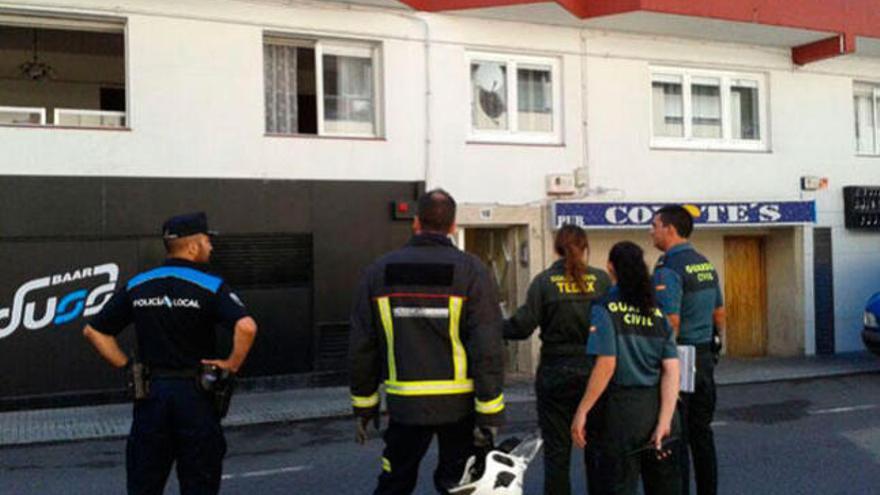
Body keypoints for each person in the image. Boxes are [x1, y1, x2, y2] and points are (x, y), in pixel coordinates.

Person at [82, 212, 258, 495]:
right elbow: (247, 327)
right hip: (197, 396)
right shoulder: (210, 285)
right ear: (193, 246)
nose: (211, 247)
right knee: (199, 483)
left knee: (144, 484)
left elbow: (94, 331)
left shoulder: (139, 284)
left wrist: (128, 366)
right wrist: (230, 365)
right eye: (207, 241)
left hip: (151, 396)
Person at [349, 189, 505, 495]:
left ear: (416, 223)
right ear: (453, 227)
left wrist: (364, 406)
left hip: (405, 407)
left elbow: (362, 346)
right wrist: (489, 413)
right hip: (460, 408)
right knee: (458, 486)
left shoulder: (378, 271)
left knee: (394, 484)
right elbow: (487, 347)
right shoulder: (472, 271)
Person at [504, 224, 611, 494]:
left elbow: (521, 327)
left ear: (556, 248)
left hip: (555, 372)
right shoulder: (601, 281)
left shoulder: (543, 282)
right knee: (597, 451)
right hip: (595, 372)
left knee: (557, 454)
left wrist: (489, 325)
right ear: (585, 246)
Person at [571, 241, 681, 495]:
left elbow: (606, 363)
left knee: (615, 486)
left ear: (610, 267)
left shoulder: (605, 307)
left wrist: (583, 410)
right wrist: (664, 421)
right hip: (657, 410)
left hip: (619, 414)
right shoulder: (657, 313)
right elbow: (672, 370)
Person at [649, 205, 725, 495]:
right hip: (704, 356)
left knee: (676, 436)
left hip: (680, 359)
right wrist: (713, 344)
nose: (651, 231)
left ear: (669, 229)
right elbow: (719, 312)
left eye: (654, 225)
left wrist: (660, 359)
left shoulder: (668, 268)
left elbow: (671, 321)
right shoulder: (704, 263)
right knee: (702, 434)